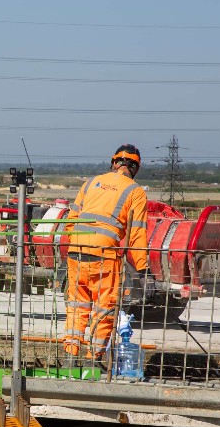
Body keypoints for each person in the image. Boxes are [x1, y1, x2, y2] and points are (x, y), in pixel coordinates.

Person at [62, 144, 152, 367]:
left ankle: (69, 357)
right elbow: (137, 234)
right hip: (104, 255)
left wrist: (77, 243)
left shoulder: (91, 183)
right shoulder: (135, 191)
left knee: (77, 306)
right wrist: (143, 270)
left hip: (76, 251)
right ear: (135, 168)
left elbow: (70, 221)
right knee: (105, 308)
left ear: (113, 163)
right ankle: (93, 360)